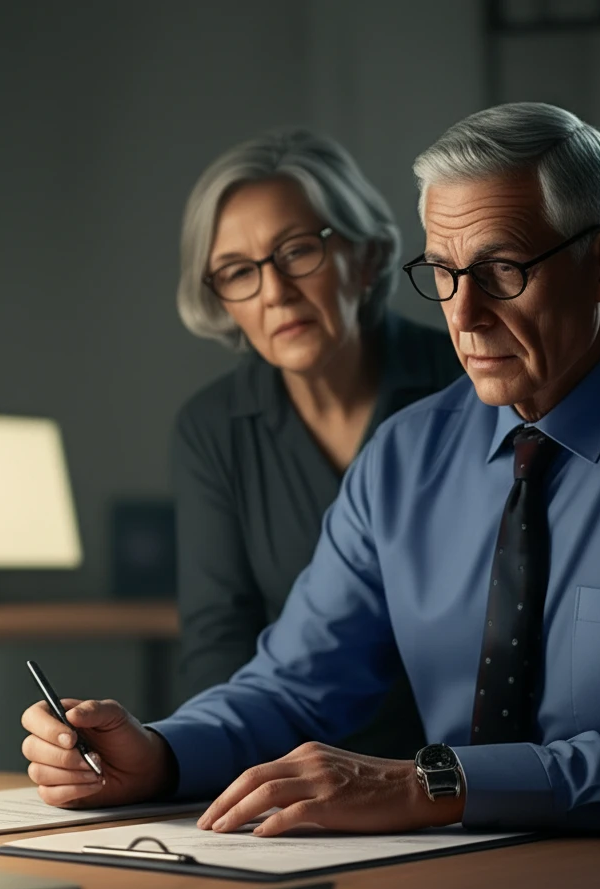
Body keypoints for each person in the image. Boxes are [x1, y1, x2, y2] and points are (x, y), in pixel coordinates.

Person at [21, 102, 600, 835]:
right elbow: (295, 689)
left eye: (501, 270)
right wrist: (157, 753)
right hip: (450, 882)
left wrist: (439, 784)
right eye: (443, 273)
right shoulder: (404, 457)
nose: (465, 314)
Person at [171, 128, 460, 758]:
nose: (274, 292)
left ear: (367, 255)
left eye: (298, 252)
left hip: (458, 763)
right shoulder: (211, 426)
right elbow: (217, 637)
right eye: (237, 272)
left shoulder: (470, 384)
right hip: (289, 761)